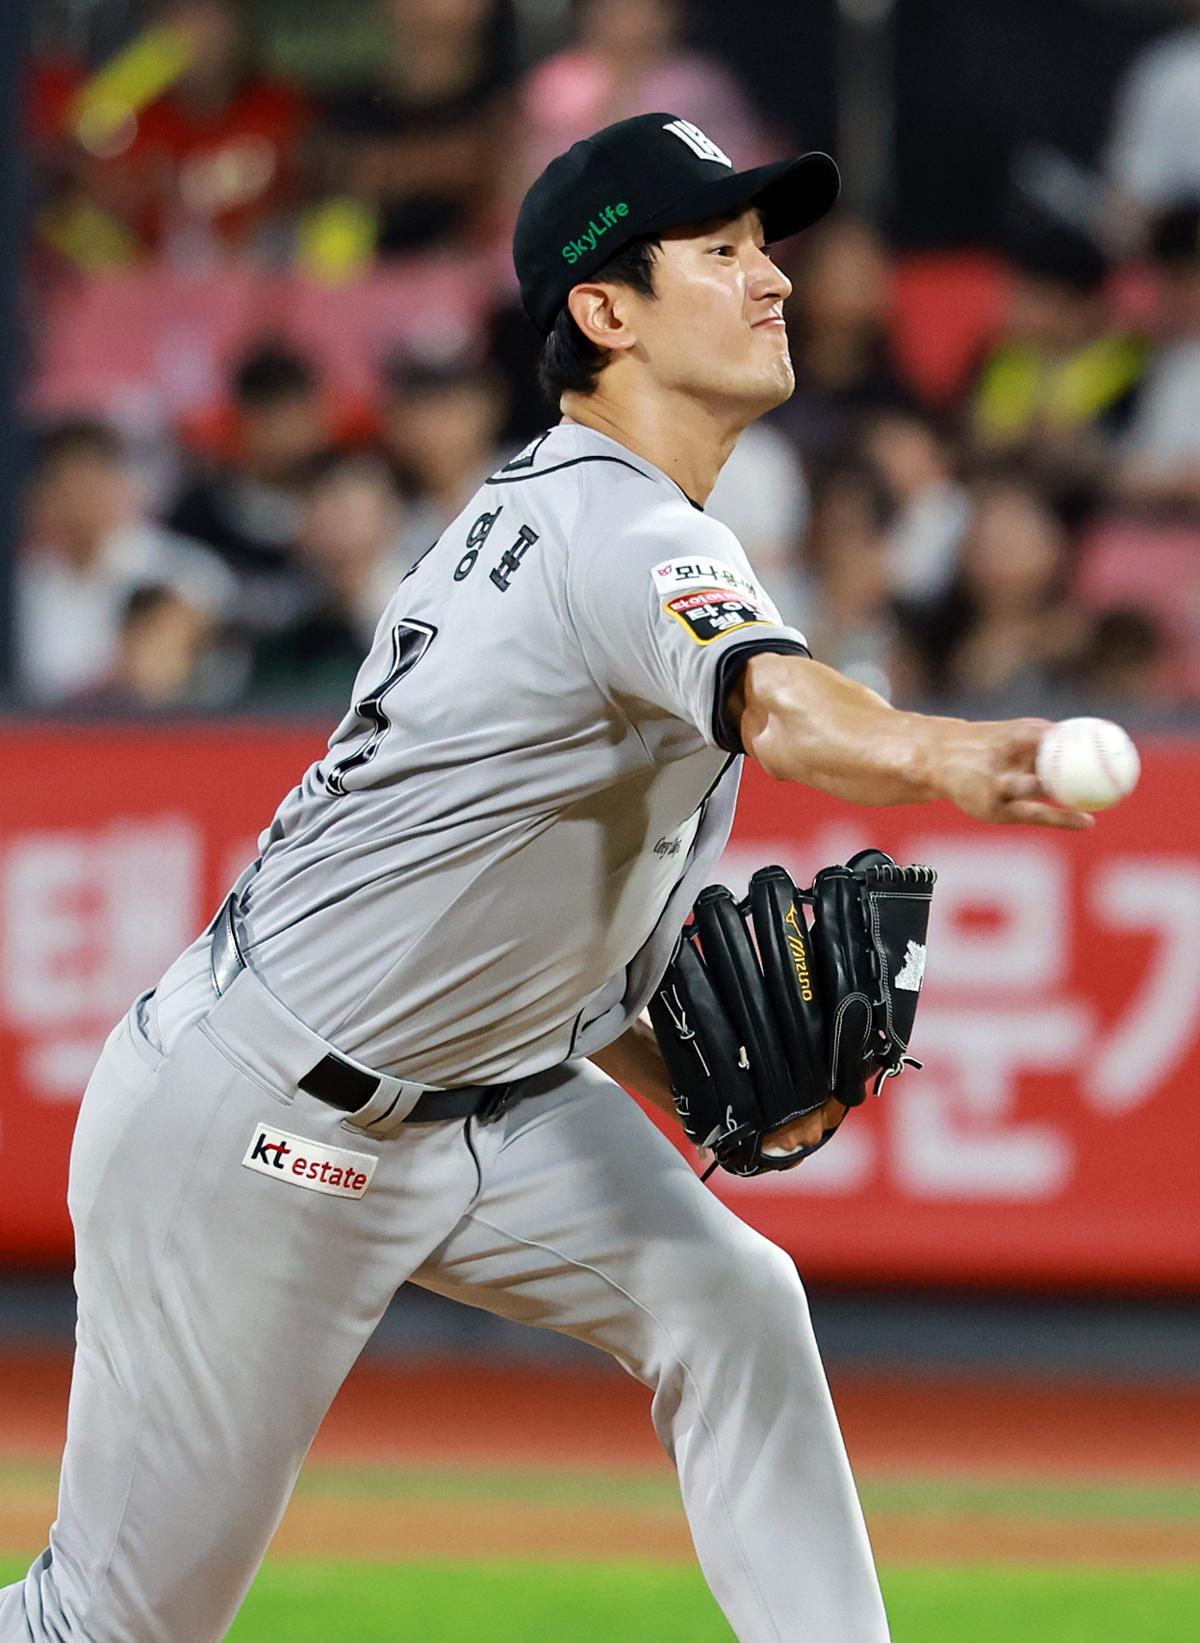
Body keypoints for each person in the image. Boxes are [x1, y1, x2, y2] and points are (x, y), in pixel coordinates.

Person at [0, 114, 1090, 1643]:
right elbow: (780, 707)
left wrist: (688, 1078)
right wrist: (946, 755)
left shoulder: (589, 519)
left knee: (734, 1303)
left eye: (765, 246)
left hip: (485, 1096)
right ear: (604, 309)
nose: (773, 278)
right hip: (269, 1127)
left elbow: (533, 921)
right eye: (721, 250)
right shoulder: (617, 532)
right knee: (108, 1623)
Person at [17, 417, 235, 705]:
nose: (79, 497)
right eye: (66, 481)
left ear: (121, 482)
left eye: (92, 477)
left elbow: (219, 682)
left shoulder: (187, 573)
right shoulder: (25, 583)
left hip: (156, 730)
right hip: (41, 731)